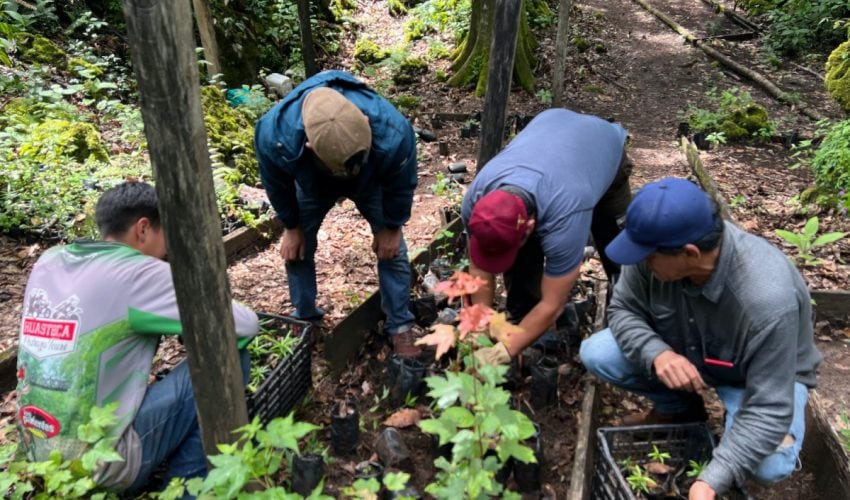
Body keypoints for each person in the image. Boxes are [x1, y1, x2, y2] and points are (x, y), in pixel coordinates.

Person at [579, 177, 822, 499]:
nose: (641, 263)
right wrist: (658, 353)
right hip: (689, 350)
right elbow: (623, 309)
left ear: (691, 253)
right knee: (599, 352)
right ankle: (679, 408)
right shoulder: (653, 248)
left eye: (649, 257)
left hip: (756, 379)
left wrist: (708, 482)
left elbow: (767, 406)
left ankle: (763, 425)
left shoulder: (766, 300)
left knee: (769, 465)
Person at [15, 181, 259, 493]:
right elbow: (244, 325)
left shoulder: (50, 261)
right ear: (143, 229)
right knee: (232, 357)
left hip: (38, 456)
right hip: (101, 468)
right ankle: (188, 490)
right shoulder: (136, 271)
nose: (169, 248)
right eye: (167, 234)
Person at [254, 69, 422, 357]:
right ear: (309, 145)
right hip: (313, 181)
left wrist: (392, 226)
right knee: (298, 249)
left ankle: (400, 324)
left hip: (371, 178)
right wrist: (290, 225)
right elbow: (275, 183)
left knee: (394, 249)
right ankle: (305, 317)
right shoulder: (275, 136)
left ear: (366, 123)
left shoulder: (392, 130)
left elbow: (401, 180)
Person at [461, 108, 632, 364]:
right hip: (550, 129)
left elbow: (554, 303)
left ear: (529, 225)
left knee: (617, 248)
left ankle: (628, 322)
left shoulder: (566, 213)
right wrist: (479, 329)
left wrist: (503, 350)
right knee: (521, 260)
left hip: (601, 147)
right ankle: (524, 318)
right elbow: (479, 270)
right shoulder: (476, 201)